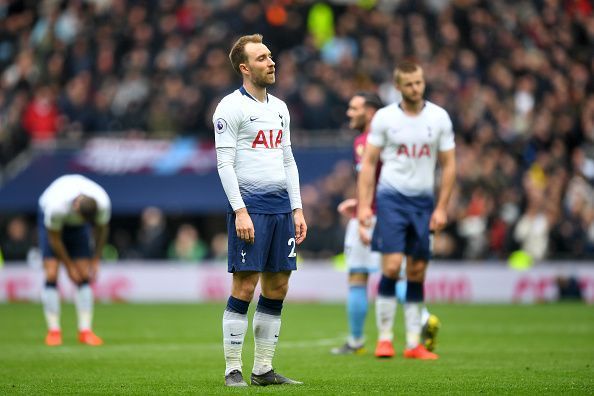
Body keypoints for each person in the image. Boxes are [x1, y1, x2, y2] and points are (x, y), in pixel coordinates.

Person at [213, 34, 307, 387]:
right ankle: (233, 368)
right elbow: (224, 164)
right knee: (245, 285)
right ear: (244, 67)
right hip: (250, 208)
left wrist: (296, 208)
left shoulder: (280, 108)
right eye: (262, 58)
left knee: (278, 285)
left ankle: (263, 369)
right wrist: (239, 211)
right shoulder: (230, 107)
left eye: (271, 56)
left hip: (281, 208)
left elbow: (288, 159)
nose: (271, 62)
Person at [358, 61, 456, 360]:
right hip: (391, 199)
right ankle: (385, 339)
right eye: (410, 84)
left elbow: (449, 164)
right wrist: (364, 204)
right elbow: (370, 163)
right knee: (391, 266)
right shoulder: (386, 118)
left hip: (423, 203)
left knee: (417, 271)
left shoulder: (439, 118)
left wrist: (441, 207)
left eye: (419, 82)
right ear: (398, 87)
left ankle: (413, 344)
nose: (416, 88)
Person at [331, 92, 441, 356]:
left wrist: (362, 210)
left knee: (359, 275)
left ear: (370, 112)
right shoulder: (396, 136)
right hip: (396, 213)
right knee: (396, 274)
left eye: (353, 108)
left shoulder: (367, 140)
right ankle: (423, 319)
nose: (349, 113)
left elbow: (369, 179)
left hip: (374, 215)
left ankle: (357, 342)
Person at [38, 174, 111, 346]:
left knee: (84, 274)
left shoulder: (103, 203)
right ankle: (54, 331)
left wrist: (96, 259)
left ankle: (85, 331)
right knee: (51, 273)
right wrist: (69, 266)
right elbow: (55, 239)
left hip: (77, 230)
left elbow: (102, 231)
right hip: (50, 223)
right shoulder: (56, 206)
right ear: (76, 207)